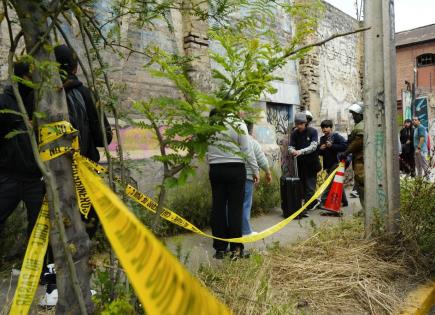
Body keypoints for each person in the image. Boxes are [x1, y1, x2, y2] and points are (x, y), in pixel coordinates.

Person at [54, 45, 113, 236]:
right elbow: (105, 137)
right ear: (76, 68)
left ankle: (52, 266)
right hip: (85, 172)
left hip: (53, 175)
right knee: (87, 223)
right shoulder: (87, 95)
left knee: (55, 228)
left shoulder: (40, 97)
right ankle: (83, 262)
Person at [0, 62, 45, 239]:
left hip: (34, 178)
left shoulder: (40, 103)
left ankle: (33, 265)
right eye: (32, 75)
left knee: (38, 228)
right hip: (7, 176)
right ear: (23, 77)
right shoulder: (4, 102)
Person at [207, 110, 259, 260]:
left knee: (218, 208)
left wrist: (212, 167)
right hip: (235, 169)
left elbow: (207, 152)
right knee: (235, 209)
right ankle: (236, 249)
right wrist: (255, 170)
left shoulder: (211, 125)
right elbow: (247, 150)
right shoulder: (238, 123)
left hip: (216, 169)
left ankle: (220, 250)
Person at [289, 112, 321, 217]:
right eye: (297, 123)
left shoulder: (313, 131)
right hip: (300, 165)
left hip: (312, 164)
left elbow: (313, 146)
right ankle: (307, 205)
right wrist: (292, 150)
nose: (299, 126)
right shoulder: (294, 133)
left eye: (301, 124)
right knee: (301, 186)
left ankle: (309, 205)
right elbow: (291, 146)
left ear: (305, 123)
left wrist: (300, 151)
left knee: (310, 187)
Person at [242, 121, 272, 236]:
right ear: (251, 130)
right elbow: (261, 159)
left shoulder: (234, 141)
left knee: (233, 204)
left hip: (234, 176)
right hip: (248, 177)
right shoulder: (252, 142)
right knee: (245, 204)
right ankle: (245, 231)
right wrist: (268, 173)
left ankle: (232, 231)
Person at [317, 119, 348, 208]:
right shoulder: (322, 138)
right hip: (328, 165)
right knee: (336, 181)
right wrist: (320, 149)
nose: (324, 129)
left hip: (337, 163)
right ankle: (344, 201)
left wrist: (332, 146)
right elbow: (320, 153)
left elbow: (345, 146)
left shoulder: (336, 136)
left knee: (328, 182)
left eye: (326, 127)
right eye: (323, 127)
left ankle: (323, 202)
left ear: (331, 128)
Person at [339, 103, 364, 208]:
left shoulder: (361, 126)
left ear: (361, 115)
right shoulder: (361, 125)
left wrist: (345, 153)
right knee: (360, 185)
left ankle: (366, 211)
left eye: (355, 114)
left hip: (361, 160)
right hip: (359, 159)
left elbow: (358, 142)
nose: (353, 117)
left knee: (362, 185)